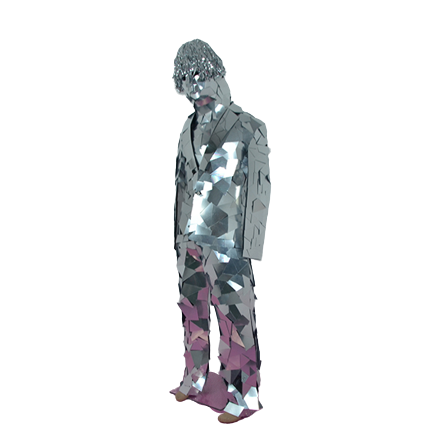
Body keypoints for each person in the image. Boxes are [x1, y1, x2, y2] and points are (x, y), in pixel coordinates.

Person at [170, 39, 271, 423]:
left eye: (200, 78)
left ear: (217, 73)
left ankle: (244, 394)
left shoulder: (248, 127)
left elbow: (260, 190)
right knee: (191, 310)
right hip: (189, 241)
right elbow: (181, 184)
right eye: (186, 83)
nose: (195, 90)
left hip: (228, 242)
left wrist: (251, 246)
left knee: (235, 318)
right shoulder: (187, 128)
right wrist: (177, 238)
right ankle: (194, 376)